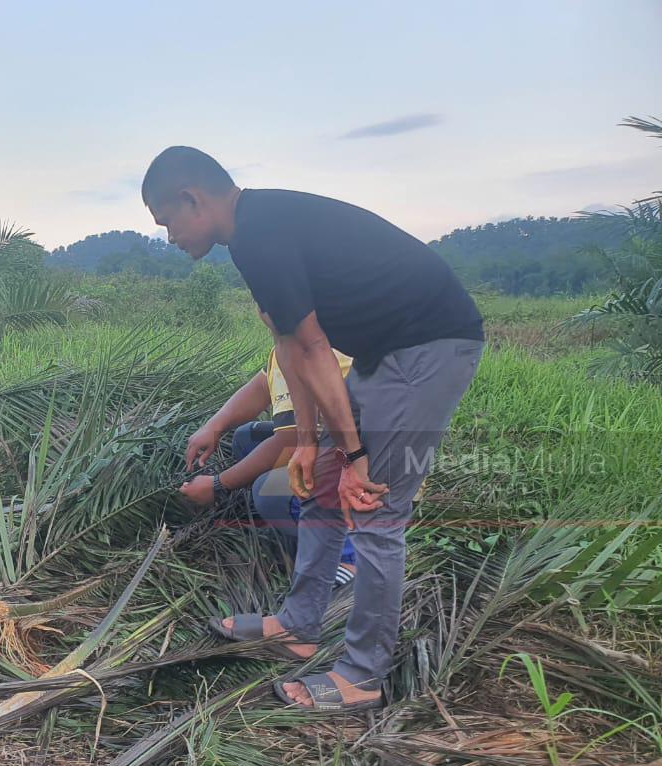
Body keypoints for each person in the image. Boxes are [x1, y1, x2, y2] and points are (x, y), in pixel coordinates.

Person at [143, 147, 484, 713]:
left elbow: (315, 347)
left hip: (431, 345)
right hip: (385, 352)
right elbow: (289, 347)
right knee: (321, 477)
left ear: (192, 199)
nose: (170, 236)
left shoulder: (260, 232)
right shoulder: (249, 236)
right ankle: (300, 624)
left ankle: (361, 675)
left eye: (167, 221)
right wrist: (309, 442)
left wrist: (356, 453)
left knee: (371, 504)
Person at [178, 346, 357, 590]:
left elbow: (291, 441)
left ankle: (350, 557)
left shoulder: (306, 347)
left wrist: (218, 484)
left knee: (270, 490)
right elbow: (262, 386)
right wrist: (214, 426)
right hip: (344, 446)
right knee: (246, 439)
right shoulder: (290, 341)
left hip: (372, 471)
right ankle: (300, 532)